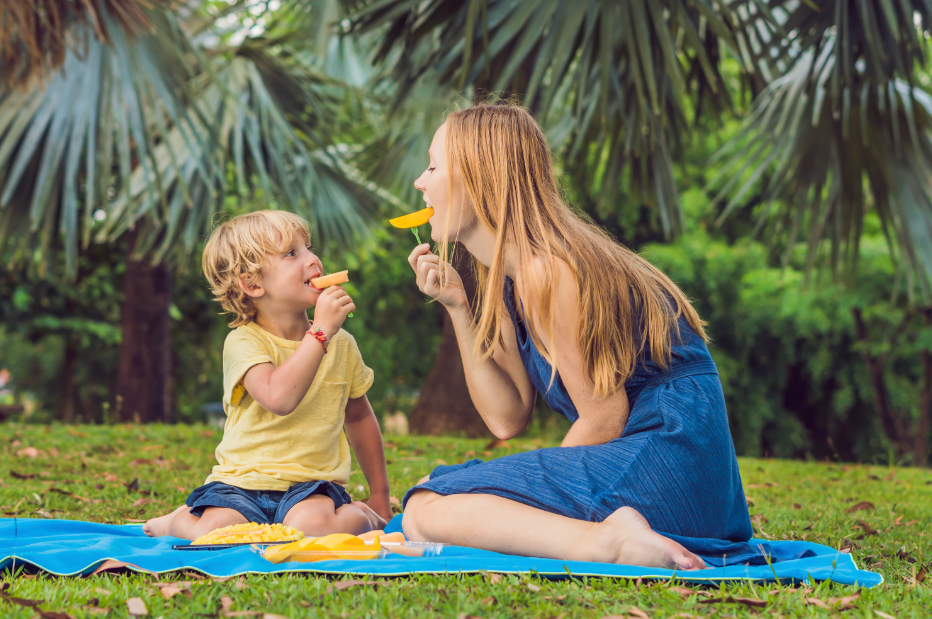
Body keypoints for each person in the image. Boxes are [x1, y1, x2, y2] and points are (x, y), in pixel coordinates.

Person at [402, 103, 755, 569]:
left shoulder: (549, 271)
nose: (419, 182)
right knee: (428, 501)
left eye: (433, 165)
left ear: (481, 175)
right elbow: (506, 418)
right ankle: (607, 538)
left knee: (428, 509)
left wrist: (531, 494)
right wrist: (459, 308)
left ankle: (609, 544)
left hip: (670, 456)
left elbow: (606, 418)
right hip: (653, 462)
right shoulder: (506, 279)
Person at [145, 210, 389, 540]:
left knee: (311, 529)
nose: (313, 260)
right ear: (252, 283)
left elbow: (359, 418)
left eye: (308, 247)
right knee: (215, 531)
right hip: (240, 484)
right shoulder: (244, 341)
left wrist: (379, 495)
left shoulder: (341, 344)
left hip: (311, 487)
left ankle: (365, 516)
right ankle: (174, 521)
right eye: (291, 253)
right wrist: (319, 332)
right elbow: (278, 397)